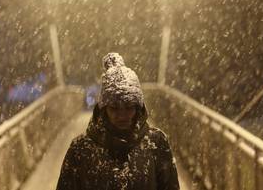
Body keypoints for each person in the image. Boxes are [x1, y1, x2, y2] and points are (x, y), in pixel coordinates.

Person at [56, 53, 180, 190]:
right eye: (114, 108)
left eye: (128, 107)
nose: (122, 116)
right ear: (103, 109)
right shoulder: (80, 149)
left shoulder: (157, 143)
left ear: (138, 108)